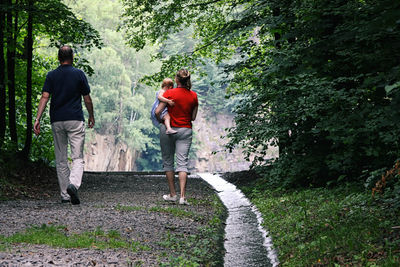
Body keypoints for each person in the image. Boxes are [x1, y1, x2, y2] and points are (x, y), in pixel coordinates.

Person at [33, 45, 95, 205]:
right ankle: (73, 185)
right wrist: (91, 115)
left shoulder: (51, 75)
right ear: (72, 57)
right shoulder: (79, 74)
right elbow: (87, 98)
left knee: (61, 159)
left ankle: (65, 195)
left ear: (59, 58)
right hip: (74, 119)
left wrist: (37, 118)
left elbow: (45, 97)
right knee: (77, 158)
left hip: (57, 120)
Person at [155, 69, 198, 205]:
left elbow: (158, 111)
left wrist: (161, 121)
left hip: (168, 129)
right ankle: (182, 197)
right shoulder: (194, 96)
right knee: (182, 163)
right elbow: (193, 117)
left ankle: (173, 194)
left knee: (168, 162)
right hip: (185, 130)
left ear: (177, 80)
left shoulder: (169, 93)